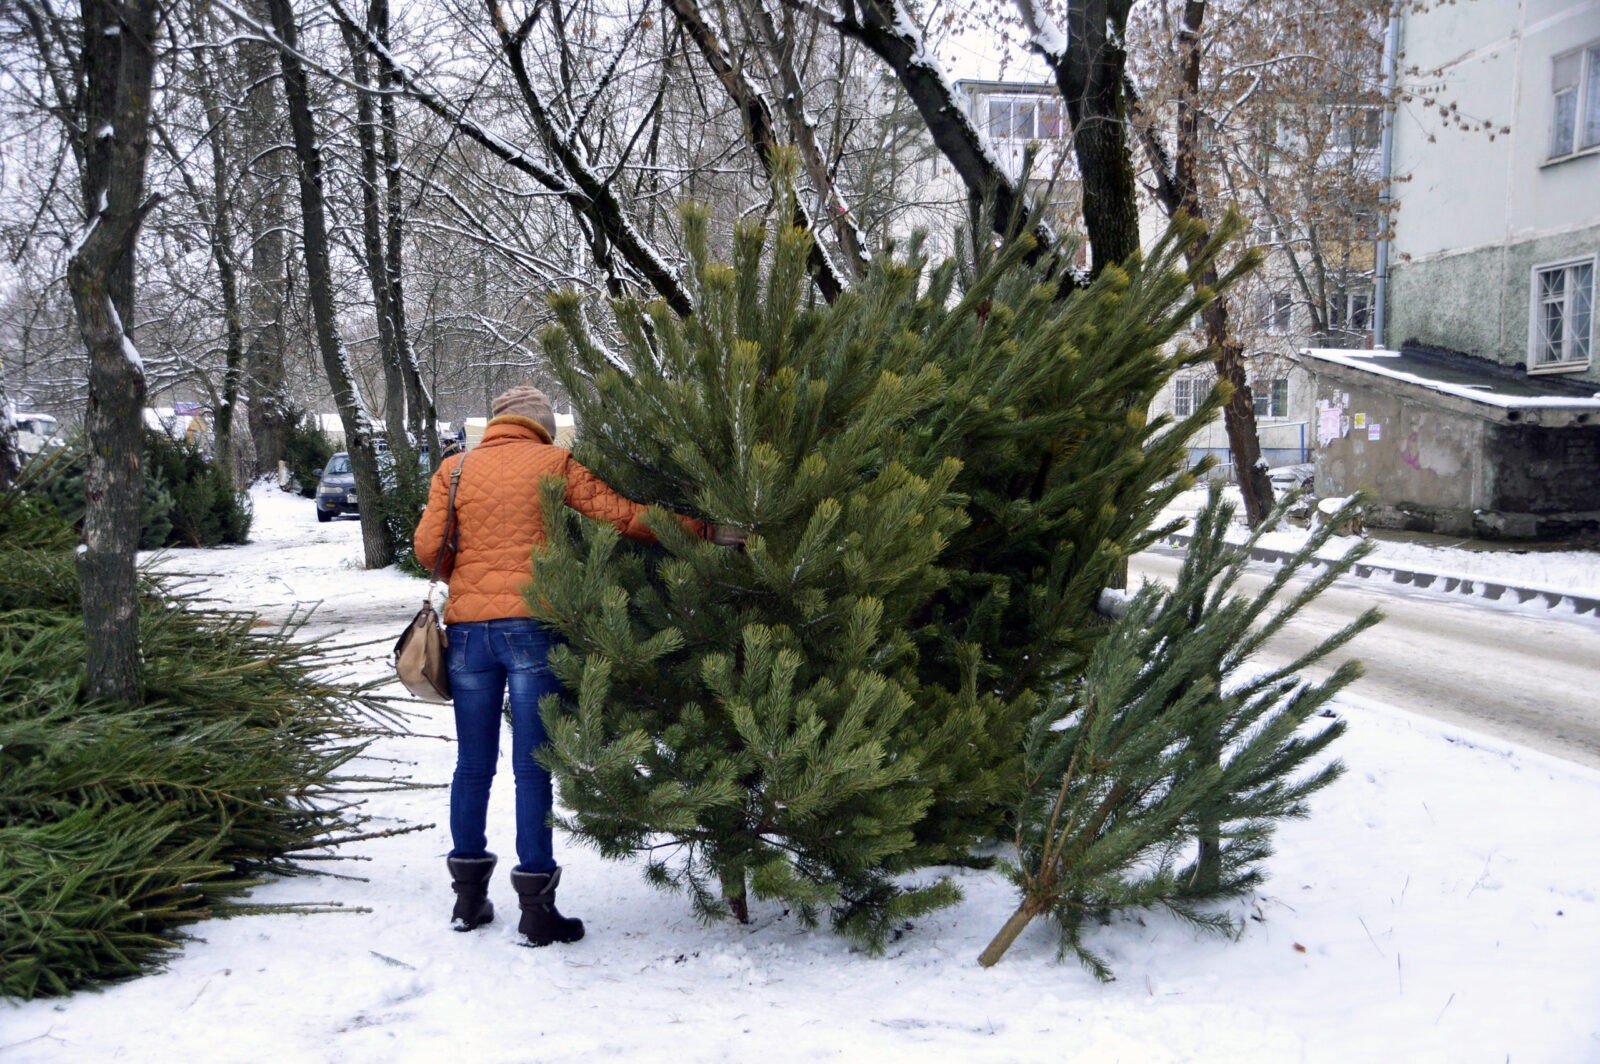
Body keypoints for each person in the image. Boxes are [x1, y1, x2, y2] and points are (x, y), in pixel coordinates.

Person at [413, 385, 741, 946]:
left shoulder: (456, 468)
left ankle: (468, 901)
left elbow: (427, 549)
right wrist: (706, 531)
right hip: (532, 627)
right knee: (531, 766)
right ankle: (537, 911)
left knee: (472, 765)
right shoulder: (552, 462)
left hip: (467, 633)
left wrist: (466, 582)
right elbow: (623, 516)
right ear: (540, 425)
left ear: (494, 423)